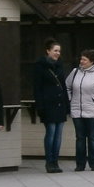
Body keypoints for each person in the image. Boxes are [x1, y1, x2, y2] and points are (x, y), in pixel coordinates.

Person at [65, 49, 94, 172]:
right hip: (77, 110)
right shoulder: (75, 72)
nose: (81, 61)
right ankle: (80, 164)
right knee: (80, 138)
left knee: (92, 137)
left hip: (93, 111)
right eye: (81, 59)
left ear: (92, 61)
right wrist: (70, 100)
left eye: (84, 59)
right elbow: (67, 87)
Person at [33, 38, 69, 173]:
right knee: (51, 133)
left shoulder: (60, 65)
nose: (58, 53)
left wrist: (67, 104)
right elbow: (37, 88)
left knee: (59, 134)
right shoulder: (39, 66)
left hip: (60, 103)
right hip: (48, 104)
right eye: (55, 50)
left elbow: (63, 86)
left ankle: (55, 161)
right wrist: (40, 106)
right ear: (48, 51)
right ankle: (49, 162)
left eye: (59, 51)